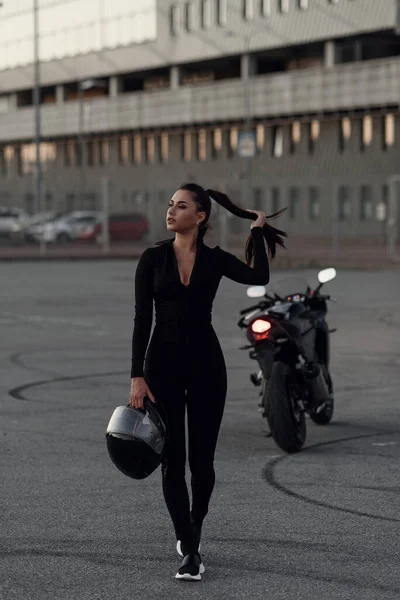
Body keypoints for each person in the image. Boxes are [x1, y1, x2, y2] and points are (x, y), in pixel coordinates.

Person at [129, 183, 286, 581]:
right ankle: (189, 550)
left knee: (202, 462)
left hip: (206, 367)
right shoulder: (152, 258)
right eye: (170, 204)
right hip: (161, 366)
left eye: (180, 206)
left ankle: (194, 529)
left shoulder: (215, 260)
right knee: (172, 460)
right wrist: (136, 376)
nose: (171, 211)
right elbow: (141, 319)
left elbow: (259, 275)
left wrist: (257, 230)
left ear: (199, 217)